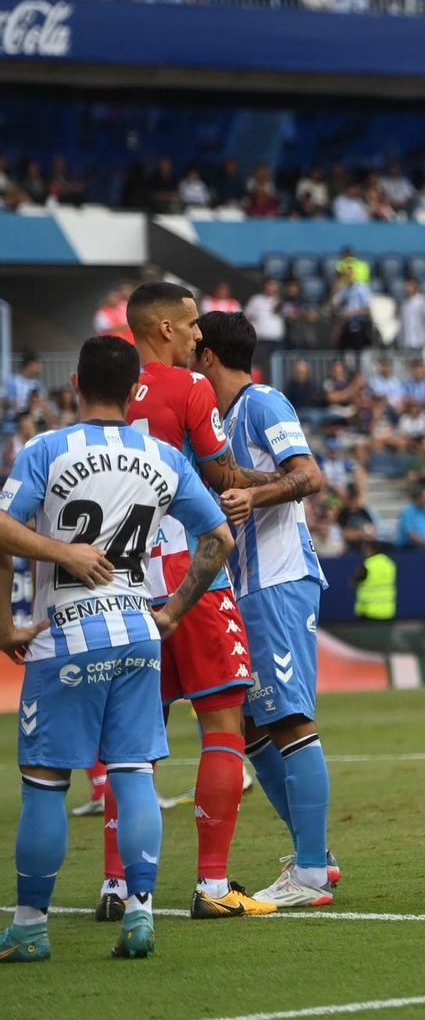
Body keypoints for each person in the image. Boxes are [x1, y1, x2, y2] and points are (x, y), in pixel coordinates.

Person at [0, 336, 235, 962]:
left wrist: (58, 557)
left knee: (45, 783)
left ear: (75, 383)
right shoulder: (164, 456)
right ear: (136, 389)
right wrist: (173, 610)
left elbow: (2, 528)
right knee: (134, 776)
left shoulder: (47, 450)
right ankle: (140, 915)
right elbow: (219, 537)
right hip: (137, 634)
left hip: (66, 636)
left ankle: (29, 928)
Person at [117, 281, 278, 921]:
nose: (197, 336)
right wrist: (289, 480)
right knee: (223, 725)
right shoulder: (190, 387)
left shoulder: (105, 394)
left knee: (131, 742)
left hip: (123, 585)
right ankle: (212, 885)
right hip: (190, 574)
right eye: (190, 326)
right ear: (164, 329)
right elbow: (220, 474)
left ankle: (118, 887)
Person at [194, 312, 337, 908]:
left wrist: (254, 493)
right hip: (244, 587)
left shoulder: (262, 403)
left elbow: (309, 476)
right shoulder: (217, 419)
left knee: (289, 720)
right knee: (251, 727)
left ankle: (310, 873)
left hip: (277, 579)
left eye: (192, 348)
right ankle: (314, 855)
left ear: (207, 355)